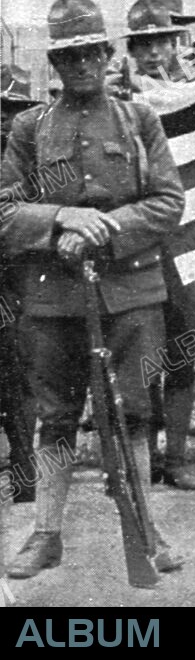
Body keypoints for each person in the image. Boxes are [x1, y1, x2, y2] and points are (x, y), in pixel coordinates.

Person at [2, 0, 186, 578]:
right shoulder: (30, 128)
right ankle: (46, 533)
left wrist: (104, 228)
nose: (80, 65)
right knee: (55, 416)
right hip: (53, 297)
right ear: (55, 65)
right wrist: (59, 220)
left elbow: (168, 201)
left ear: (107, 55)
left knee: (134, 413)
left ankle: (146, 527)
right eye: (68, 56)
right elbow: (4, 210)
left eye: (90, 53)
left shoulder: (139, 121)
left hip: (130, 292)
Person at [122, 0, 195, 491]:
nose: (153, 54)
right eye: (142, 45)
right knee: (138, 359)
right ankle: (139, 461)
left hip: (187, 239)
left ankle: (175, 459)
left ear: (175, 42)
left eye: (160, 42)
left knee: (181, 355)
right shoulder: (121, 102)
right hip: (141, 245)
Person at [0, 68, 41, 505]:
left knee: (20, 383)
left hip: (20, 284)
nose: (6, 119)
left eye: (16, 109)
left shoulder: (36, 164)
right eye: (0, 109)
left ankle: (24, 475)